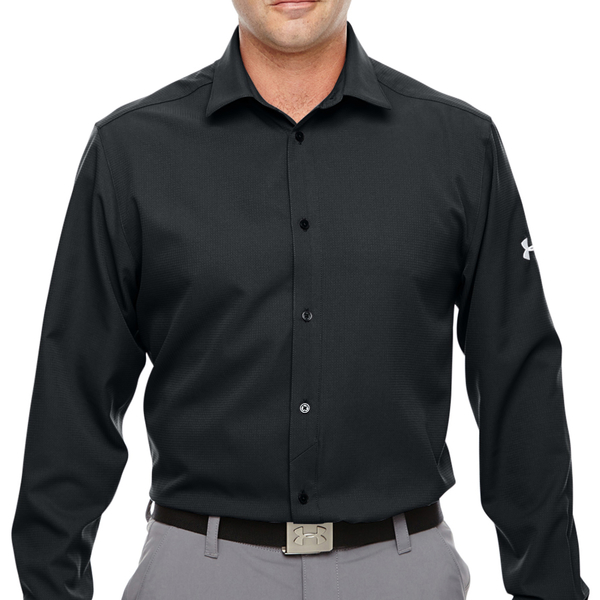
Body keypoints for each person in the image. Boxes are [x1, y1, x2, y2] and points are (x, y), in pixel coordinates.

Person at [12, 0, 590, 599]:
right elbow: (73, 394)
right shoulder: (131, 151)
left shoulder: (460, 145)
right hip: (197, 573)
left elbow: (518, 384)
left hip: (402, 572)